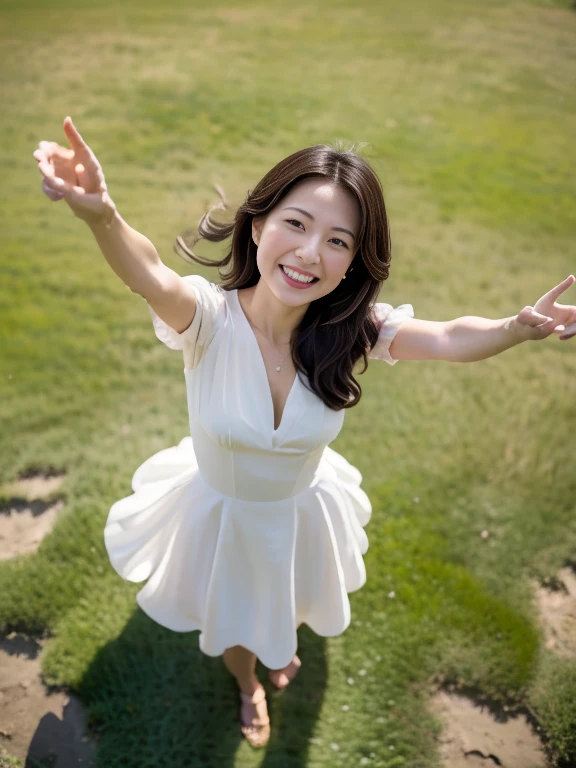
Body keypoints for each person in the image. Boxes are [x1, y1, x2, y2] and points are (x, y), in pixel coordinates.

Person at [33, 116, 576, 748]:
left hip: (299, 510)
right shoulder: (204, 318)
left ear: (352, 263)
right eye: (296, 224)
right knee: (237, 625)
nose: (311, 253)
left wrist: (515, 327)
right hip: (225, 515)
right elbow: (148, 271)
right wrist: (101, 214)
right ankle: (248, 684)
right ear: (258, 225)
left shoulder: (352, 331)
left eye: (338, 240)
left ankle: (280, 643)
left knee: (287, 598)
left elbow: (452, 337)